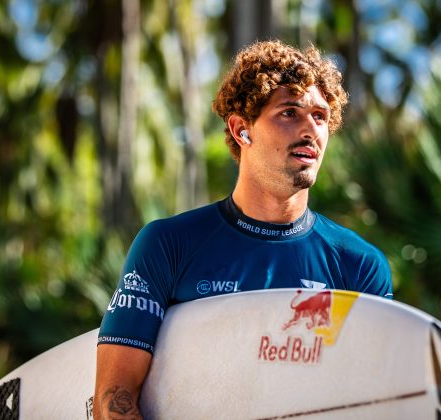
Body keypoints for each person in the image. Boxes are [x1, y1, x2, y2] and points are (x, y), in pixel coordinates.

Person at [93, 39, 393, 419]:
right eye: (289, 112)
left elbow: (376, 401)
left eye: (320, 116)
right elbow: (113, 396)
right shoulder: (168, 245)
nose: (310, 130)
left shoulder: (359, 266)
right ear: (241, 130)